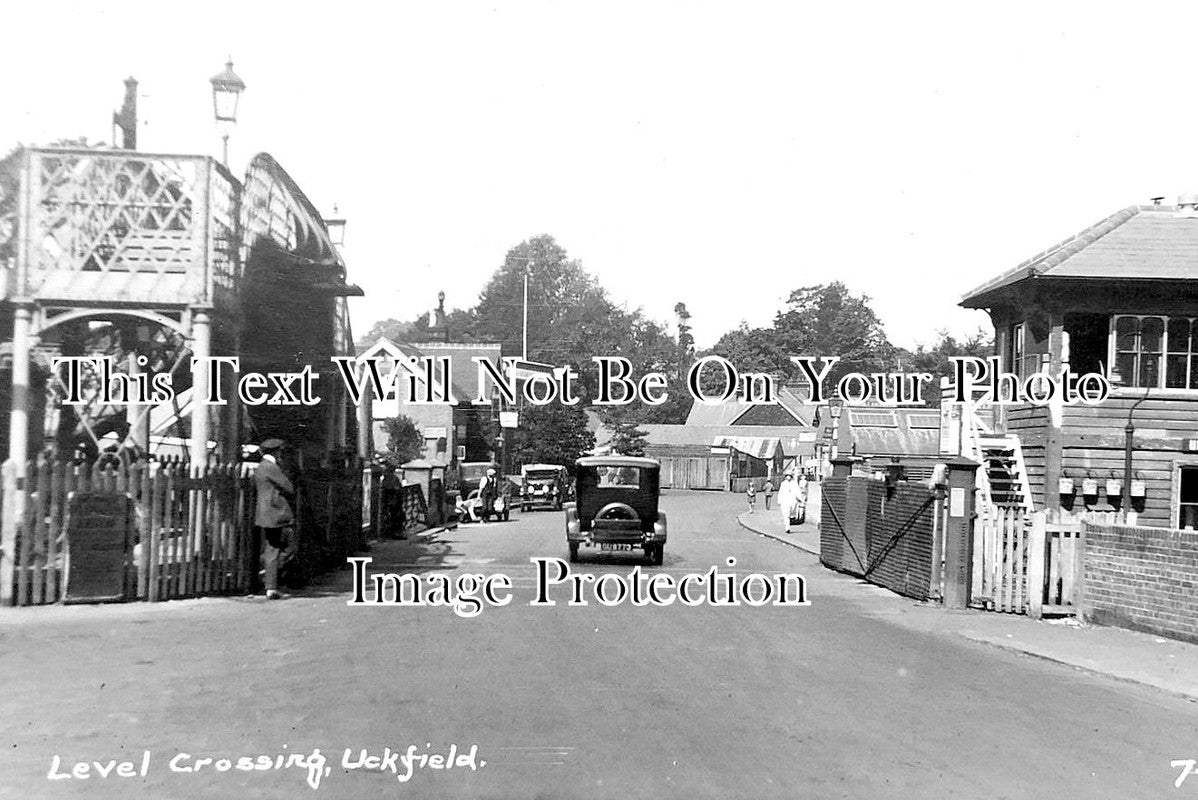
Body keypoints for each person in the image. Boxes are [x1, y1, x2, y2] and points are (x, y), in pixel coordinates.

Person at [254, 438, 296, 599]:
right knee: (289, 548)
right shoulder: (271, 467)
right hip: (277, 513)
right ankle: (270, 580)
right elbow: (289, 487)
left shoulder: (261, 467)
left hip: (266, 514)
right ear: (276, 452)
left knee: (272, 549)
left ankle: (270, 585)